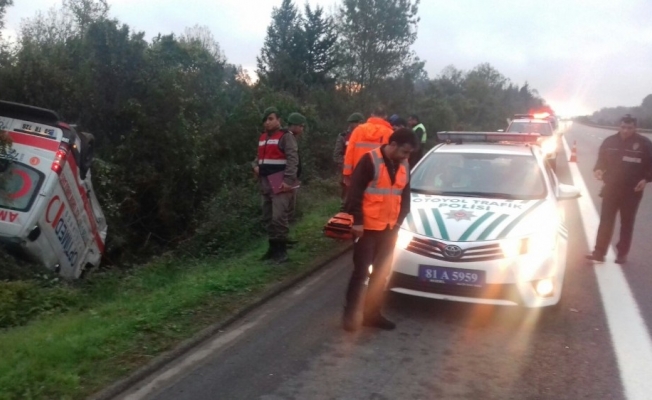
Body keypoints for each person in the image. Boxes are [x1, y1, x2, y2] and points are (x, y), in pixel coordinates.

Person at [342, 128, 417, 332]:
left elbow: (405, 197)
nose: (406, 157)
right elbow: (354, 193)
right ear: (392, 145)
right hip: (366, 229)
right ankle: (350, 315)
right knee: (360, 273)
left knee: (381, 274)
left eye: (409, 153)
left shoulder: (404, 165)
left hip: (389, 229)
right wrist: (357, 221)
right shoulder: (369, 160)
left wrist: (400, 221)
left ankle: (372, 315)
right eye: (405, 152)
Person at [586, 114, 652, 264]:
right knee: (606, 221)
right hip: (611, 188)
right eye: (623, 127)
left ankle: (622, 254)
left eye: (629, 128)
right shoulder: (609, 142)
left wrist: (646, 179)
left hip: (632, 191)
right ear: (619, 126)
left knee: (627, 222)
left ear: (635, 128)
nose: (626, 131)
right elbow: (601, 161)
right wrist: (598, 169)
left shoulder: (645, 144)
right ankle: (599, 252)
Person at [252, 107, 300, 263]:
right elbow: (257, 157)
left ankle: (282, 252)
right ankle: (272, 250)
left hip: (279, 179)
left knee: (278, 217)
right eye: (265, 120)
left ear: (278, 120)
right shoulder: (262, 137)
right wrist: (255, 166)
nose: (268, 122)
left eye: (271, 119)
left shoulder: (286, 136)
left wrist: (288, 180)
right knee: (267, 217)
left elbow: (293, 160)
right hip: (265, 180)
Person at [342, 106, 393, 187]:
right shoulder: (390, 133)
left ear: (372, 114)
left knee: (359, 196)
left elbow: (349, 152)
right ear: (385, 116)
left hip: (358, 172)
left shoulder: (358, 130)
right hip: (381, 174)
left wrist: (347, 173)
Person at [333, 113, 365, 209]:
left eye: (354, 123)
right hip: (346, 169)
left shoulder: (365, 135)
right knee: (346, 192)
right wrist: (344, 166)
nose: (352, 125)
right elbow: (337, 154)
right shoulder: (343, 136)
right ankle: (343, 210)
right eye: (351, 123)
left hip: (362, 169)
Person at [286, 112, 306, 233]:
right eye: (301, 126)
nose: (302, 129)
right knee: (286, 208)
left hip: (291, 178)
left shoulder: (290, 137)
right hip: (288, 179)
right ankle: (281, 237)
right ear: (295, 126)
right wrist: (290, 179)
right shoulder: (287, 137)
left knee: (289, 208)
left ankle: (285, 235)